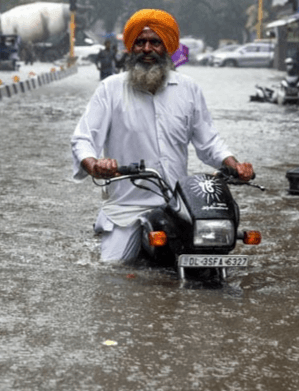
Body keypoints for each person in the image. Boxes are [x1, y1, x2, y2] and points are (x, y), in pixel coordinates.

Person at [71, 9, 254, 263]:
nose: (147, 48)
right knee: (113, 268)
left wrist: (235, 165)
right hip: (128, 208)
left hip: (180, 206)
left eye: (155, 42)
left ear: (167, 47)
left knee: (215, 253)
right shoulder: (110, 89)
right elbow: (83, 139)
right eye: (140, 42)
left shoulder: (188, 89)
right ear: (131, 48)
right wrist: (95, 164)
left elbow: (209, 141)